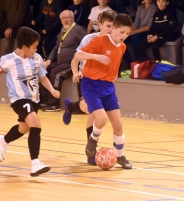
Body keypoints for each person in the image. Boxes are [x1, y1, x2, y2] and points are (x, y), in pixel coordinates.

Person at [0, 27, 60, 176]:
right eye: (34, 47)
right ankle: (35, 164)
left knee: (24, 128)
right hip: (19, 99)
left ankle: (3, 140)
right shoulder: (8, 60)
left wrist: (52, 90)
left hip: (34, 100)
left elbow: (42, 78)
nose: (35, 50)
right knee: (36, 124)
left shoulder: (37, 58)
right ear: (24, 47)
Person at [71, 13, 133, 169]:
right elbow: (78, 55)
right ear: (112, 28)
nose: (124, 36)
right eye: (121, 32)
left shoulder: (122, 46)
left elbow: (114, 64)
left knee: (118, 124)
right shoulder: (99, 41)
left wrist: (113, 78)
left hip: (108, 87)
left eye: (127, 33)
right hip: (91, 85)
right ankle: (92, 142)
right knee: (101, 119)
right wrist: (96, 57)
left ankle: (120, 156)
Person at [63, 10, 117, 164]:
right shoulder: (89, 39)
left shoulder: (115, 42)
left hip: (103, 81)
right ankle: (91, 152)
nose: (111, 30)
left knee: (93, 113)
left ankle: (71, 107)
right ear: (99, 25)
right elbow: (76, 58)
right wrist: (75, 73)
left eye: (114, 27)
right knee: (94, 112)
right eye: (108, 26)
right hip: (86, 77)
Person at [40, 10, 86, 111]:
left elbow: (87, 44)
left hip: (71, 63)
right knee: (43, 71)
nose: (66, 20)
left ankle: (54, 104)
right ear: (60, 20)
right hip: (60, 62)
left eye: (68, 18)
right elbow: (57, 47)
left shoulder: (78, 30)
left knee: (56, 73)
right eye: (63, 18)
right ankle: (45, 100)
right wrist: (49, 60)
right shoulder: (63, 30)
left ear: (73, 18)